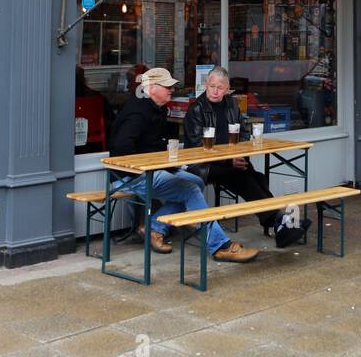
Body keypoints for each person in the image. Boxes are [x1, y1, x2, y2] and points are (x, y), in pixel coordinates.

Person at [108, 67, 257, 263]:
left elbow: (153, 144)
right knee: (189, 191)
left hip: (151, 170)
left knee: (196, 182)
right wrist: (158, 163)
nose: (172, 90)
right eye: (167, 86)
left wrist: (167, 162)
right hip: (129, 177)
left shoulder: (155, 107)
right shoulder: (138, 112)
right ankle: (220, 246)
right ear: (151, 88)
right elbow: (121, 148)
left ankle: (154, 227)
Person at [183, 67, 309, 248]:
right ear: (206, 85)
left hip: (230, 160)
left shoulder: (232, 104)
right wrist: (228, 160)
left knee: (257, 177)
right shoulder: (196, 109)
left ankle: (281, 223)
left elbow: (243, 133)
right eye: (212, 86)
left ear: (227, 89)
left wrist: (240, 155)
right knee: (242, 177)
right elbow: (196, 149)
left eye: (220, 87)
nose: (215, 91)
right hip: (204, 166)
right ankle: (281, 223)